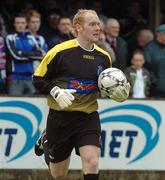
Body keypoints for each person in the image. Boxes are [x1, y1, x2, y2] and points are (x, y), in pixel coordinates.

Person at [33, 9, 130, 180]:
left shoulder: (104, 57)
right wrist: (55, 91)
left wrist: (118, 92)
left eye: (98, 24)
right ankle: (47, 138)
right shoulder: (59, 51)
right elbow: (38, 79)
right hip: (60, 118)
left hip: (88, 117)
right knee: (58, 174)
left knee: (92, 162)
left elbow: (103, 86)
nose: (98, 28)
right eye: (92, 24)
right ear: (78, 27)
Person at [5, 13, 43, 95]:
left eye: (22, 23)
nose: (20, 25)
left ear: (26, 24)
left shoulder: (31, 38)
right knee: (14, 105)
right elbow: (16, 56)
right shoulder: (10, 37)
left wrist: (22, 53)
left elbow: (41, 55)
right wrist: (33, 55)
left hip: (31, 77)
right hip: (15, 78)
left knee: (34, 104)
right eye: (18, 23)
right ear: (14, 24)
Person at [144, 24, 165, 97]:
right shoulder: (149, 48)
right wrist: (155, 82)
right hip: (157, 90)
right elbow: (147, 67)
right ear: (159, 35)